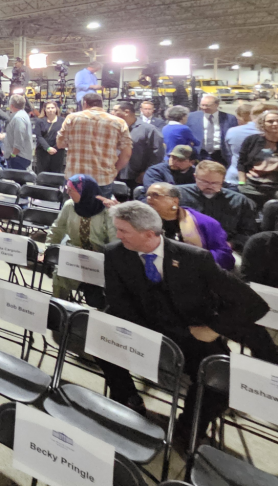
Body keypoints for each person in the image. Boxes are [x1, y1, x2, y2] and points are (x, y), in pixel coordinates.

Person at [99, 201, 277, 443]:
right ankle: (129, 399)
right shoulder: (115, 252)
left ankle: (187, 430)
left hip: (189, 331)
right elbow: (117, 300)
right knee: (100, 339)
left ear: (149, 234)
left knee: (219, 380)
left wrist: (214, 329)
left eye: (123, 231)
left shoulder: (195, 259)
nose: (117, 235)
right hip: (142, 326)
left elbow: (254, 304)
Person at [46, 175, 114, 301]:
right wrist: (48, 251)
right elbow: (57, 229)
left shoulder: (107, 211)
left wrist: (101, 258)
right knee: (59, 270)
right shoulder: (69, 206)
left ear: (85, 192)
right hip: (74, 255)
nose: (68, 193)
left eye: (71, 190)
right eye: (67, 189)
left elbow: (114, 242)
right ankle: (59, 308)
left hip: (100, 259)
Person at [56, 93, 132, 197]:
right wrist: (115, 170)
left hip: (75, 178)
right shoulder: (119, 122)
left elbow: (60, 144)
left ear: (85, 103)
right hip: (103, 179)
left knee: (71, 211)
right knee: (99, 212)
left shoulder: (72, 118)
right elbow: (127, 153)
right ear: (102, 104)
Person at [145, 183, 234, 269]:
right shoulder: (140, 221)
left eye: (155, 195)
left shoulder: (204, 222)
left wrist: (194, 262)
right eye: (148, 195)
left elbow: (223, 254)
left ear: (174, 200)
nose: (149, 198)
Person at [177, 160, 258, 251]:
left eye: (215, 183)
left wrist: (230, 245)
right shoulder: (179, 195)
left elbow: (248, 231)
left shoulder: (238, 200)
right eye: (204, 181)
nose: (209, 186)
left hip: (224, 248)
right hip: (185, 246)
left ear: (223, 180)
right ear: (195, 177)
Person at [112, 101, 165, 192]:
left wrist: (147, 172)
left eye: (115, 110)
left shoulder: (148, 129)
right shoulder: (114, 128)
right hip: (115, 175)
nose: (112, 113)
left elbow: (157, 153)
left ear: (126, 112)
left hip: (136, 177)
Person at [236, 108, 278, 211]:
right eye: (270, 121)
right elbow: (241, 163)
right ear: (262, 124)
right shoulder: (252, 140)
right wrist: (242, 183)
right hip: (252, 186)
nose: (275, 124)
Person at [186, 94, 237, 164]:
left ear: (216, 105)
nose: (204, 107)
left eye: (207, 105)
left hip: (221, 154)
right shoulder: (191, 117)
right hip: (200, 154)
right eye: (202, 105)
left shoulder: (230, 118)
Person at [224, 101, 263, 184]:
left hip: (235, 176)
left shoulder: (232, 131)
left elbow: (228, 152)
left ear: (241, 118)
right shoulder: (268, 131)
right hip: (260, 175)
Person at [34, 100, 66, 174]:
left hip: (57, 152)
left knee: (56, 175)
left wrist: (55, 148)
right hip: (43, 152)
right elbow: (39, 136)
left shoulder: (62, 121)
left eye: (52, 108)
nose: (50, 110)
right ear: (44, 109)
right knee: (42, 175)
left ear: (56, 109)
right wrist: (48, 148)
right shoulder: (39, 121)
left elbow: (64, 135)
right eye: (48, 108)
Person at [2, 94, 34, 170]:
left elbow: (19, 140)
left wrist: (12, 155)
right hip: (20, 157)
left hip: (19, 158)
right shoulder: (23, 115)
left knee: (17, 181)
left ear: (11, 105)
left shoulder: (18, 118)